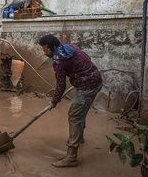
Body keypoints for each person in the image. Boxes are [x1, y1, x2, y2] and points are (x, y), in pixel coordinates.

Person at [38, 34, 102, 168]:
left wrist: (54, 101)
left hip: (87, 86)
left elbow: (61, 85)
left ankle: (72, 157)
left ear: (54, 47)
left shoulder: (58, 59)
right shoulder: (69, 47)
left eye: (46, 50)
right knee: (81, 112)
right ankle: (80, 138)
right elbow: (86, 59)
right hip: (95, 80)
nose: (45, 53)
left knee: (74, 116)